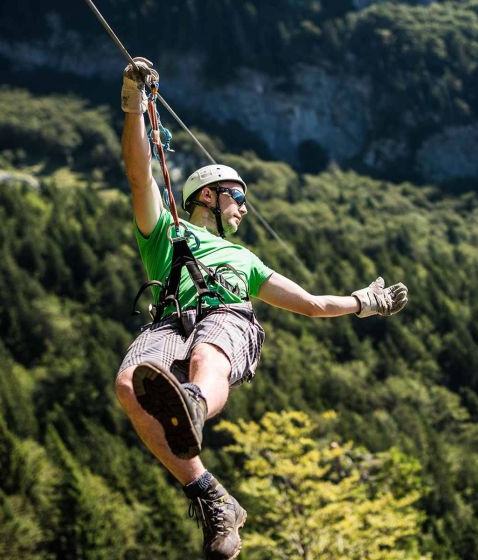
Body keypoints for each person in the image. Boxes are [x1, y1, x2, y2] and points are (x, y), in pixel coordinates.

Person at [115, 58, 408, 560]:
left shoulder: (246, 259)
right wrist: (134, 106)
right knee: (129, 385)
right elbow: (141, 176)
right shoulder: (166, 233)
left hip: (229, 319)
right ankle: (210, 495)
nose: (244, 209)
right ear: (208, 195)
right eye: (238, 199)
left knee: (209, 350)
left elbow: (313, 304)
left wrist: (366, 302)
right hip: (169, 319)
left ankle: (193, 404)